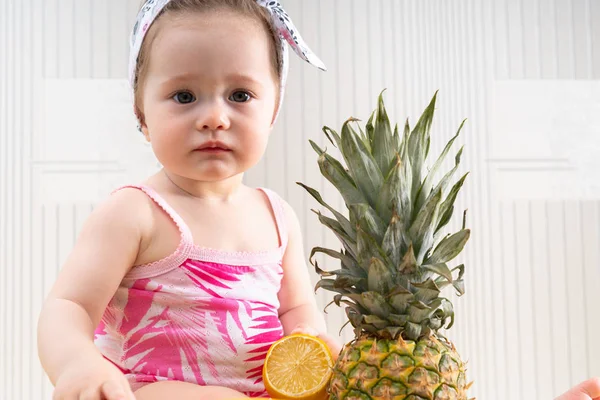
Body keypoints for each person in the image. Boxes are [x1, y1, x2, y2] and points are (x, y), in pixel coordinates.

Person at [37, 0, 339, 399]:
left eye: (240, 95)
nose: (214, 117)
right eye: (183, 96)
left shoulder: (278, 217)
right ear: (141, 114)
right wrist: (79, 363)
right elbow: (69, 305)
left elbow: (296, 310)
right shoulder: (135, 212)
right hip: (150, 391)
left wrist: (310, 337)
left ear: (273, 110)